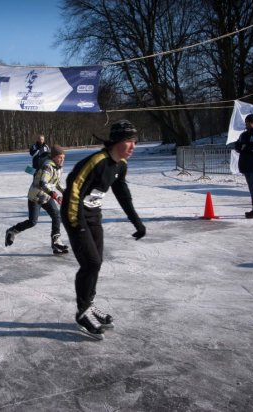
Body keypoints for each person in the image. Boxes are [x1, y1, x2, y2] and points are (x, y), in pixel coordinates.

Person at [60, 120, 146, 340]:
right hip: (75, 215)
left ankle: (89, 304)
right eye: (129, 141)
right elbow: (73, 193)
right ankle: (82, 312)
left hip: (94, 216)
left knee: (96, 261)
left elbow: (122, 193)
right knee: (91, 262)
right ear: (117, 141)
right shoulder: (96, 162)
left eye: (134, 141)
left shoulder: (120, 164)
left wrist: (136, 222)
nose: (133, 146)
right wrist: (77, 226)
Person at [5, 144, 69, 255]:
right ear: (53, 157)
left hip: (47, 196)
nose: (62, 160)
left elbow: (56, 183)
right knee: (32, 222)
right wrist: (55, 195)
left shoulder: (59, 168)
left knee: (56, 215)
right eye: (60, 157)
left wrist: (65, 193)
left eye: (63, 158)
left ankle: (55, 242)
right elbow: (43, 183)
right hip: (36, 197)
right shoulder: (48, 166)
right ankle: (12, 231)